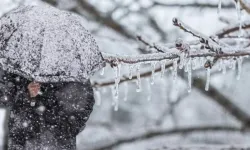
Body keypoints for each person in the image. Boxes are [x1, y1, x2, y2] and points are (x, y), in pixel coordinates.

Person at [0, 71, 95, 150]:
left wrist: (66, 129)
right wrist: (26, 93)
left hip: (58, 141)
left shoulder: (72, 65)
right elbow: (4, 96)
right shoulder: (18, 57)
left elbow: (86, 102)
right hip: (23, 139)